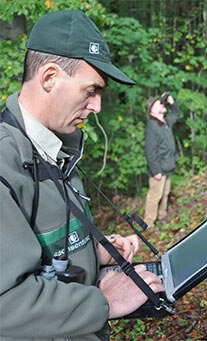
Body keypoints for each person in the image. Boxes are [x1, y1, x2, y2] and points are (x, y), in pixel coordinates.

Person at [0, 10, 164, 341]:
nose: (98, 106)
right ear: (49, 78)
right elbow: (5, 304)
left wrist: (92, 251)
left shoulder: (59, 149)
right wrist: (104, 302)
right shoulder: (6, 166)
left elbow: (46, 250)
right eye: (91, 91)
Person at [144, 92, 181, 229]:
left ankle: (162, 215)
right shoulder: (152, 127)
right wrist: (156, 171)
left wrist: (172, 102)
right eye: (159, 103)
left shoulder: (165, 122)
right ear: (152, 110)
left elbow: (176, 114)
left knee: (165, 193)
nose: (162, 103)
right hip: (159, 168)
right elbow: (150, 152)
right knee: (155, 196)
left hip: (167, 165)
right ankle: (149, 223)